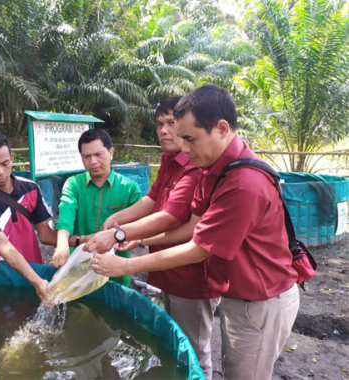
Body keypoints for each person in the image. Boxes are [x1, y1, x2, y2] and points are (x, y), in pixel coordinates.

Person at [90, 84, 300, 379]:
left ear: (222, 128)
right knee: (229, 367)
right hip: (239, 293)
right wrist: (126, 233)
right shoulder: (214, 169)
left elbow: (197, 245)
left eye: (190, 138)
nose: (184, 148)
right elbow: (190, 224)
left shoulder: (243, 183)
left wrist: (126, 262)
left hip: (261, 298)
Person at [83, 96, 220, 378]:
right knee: (175, 338)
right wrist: (120, 219)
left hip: (192, 275)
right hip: (167, 267)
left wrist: (118, 233)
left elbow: (170, 215)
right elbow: (154, 198)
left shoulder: (194, 165)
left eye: (172, 123)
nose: (164, 130)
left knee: (194, 351)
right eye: (160, 124)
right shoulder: (170, 159)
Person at [0, 131, 62, 303]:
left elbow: (46, 235)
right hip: (1, 280)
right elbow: (5, 247)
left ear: (12, 158)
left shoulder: (30, 188)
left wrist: (81, 241)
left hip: (34, 271)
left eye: (5, 164)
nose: (0, 172)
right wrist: (38, 282)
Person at [51, 128, 142, 286]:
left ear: (111, 153)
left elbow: (141, 225)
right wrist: (62, 244)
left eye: (98, 154)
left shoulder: (129, 188)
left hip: (116, 272)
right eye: (87, 156)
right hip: (78, 269)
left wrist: (135, 238)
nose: (93, 161)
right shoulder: (73, 184)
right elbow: (66, 215)